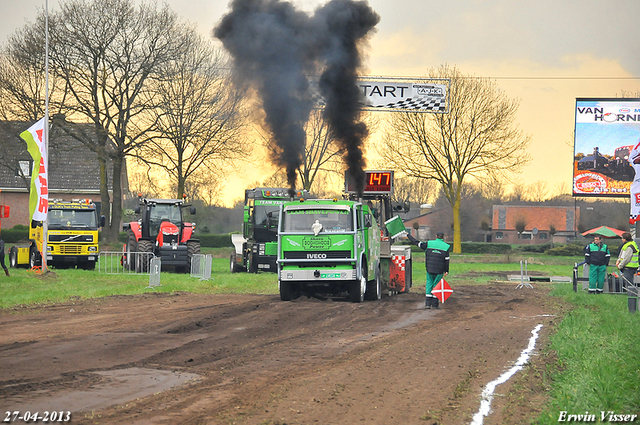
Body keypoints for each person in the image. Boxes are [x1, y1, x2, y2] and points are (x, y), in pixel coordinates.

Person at [407, 231, 450, 309]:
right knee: (436, 285)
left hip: (429, 268)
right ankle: (435, 304)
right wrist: (447, 270)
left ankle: (427, 304)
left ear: (436, 236)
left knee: (429, 284)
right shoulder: (446, 246)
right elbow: (446, 260)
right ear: (443, 237)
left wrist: (408, 235)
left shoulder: (429, 243)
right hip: (440, 270)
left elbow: (417, 243)